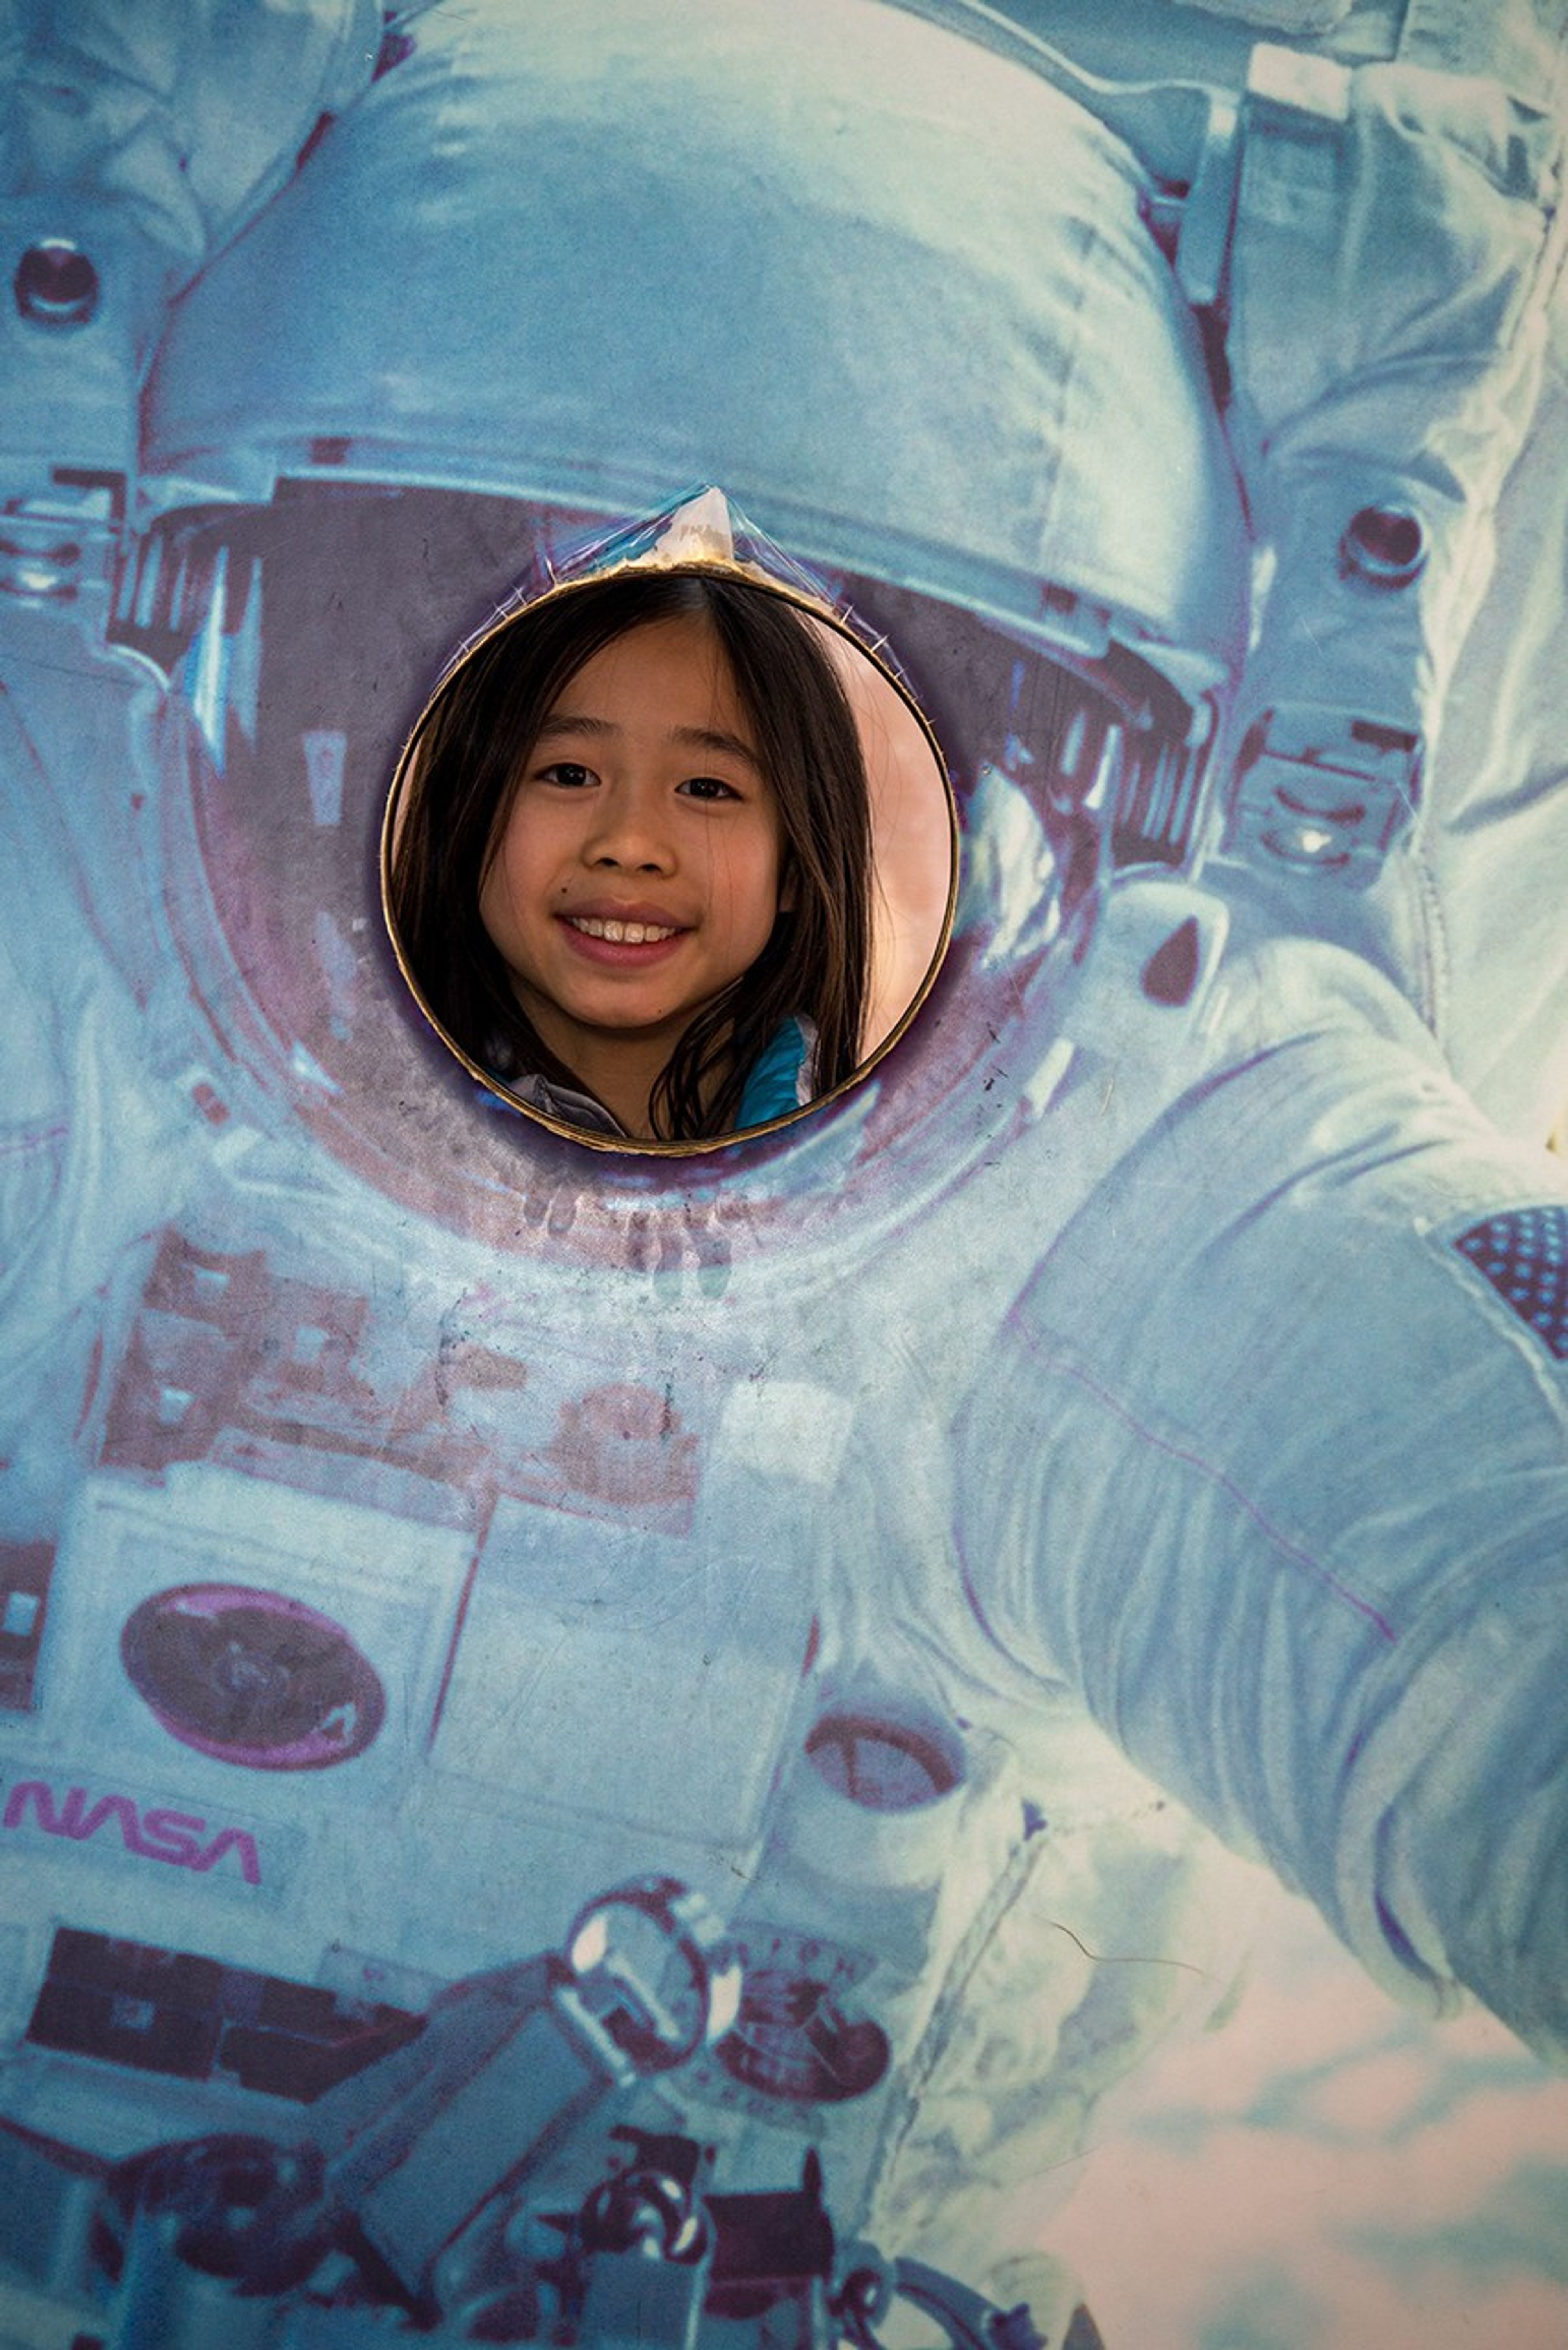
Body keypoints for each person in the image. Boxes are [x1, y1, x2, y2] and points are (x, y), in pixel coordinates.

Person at [387, 567, 874, 1143]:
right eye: (570, 775)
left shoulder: (883, 1179)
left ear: (794, 864)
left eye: (706, 788)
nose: (629, 845)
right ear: (464, 812)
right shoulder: (340, 1157)